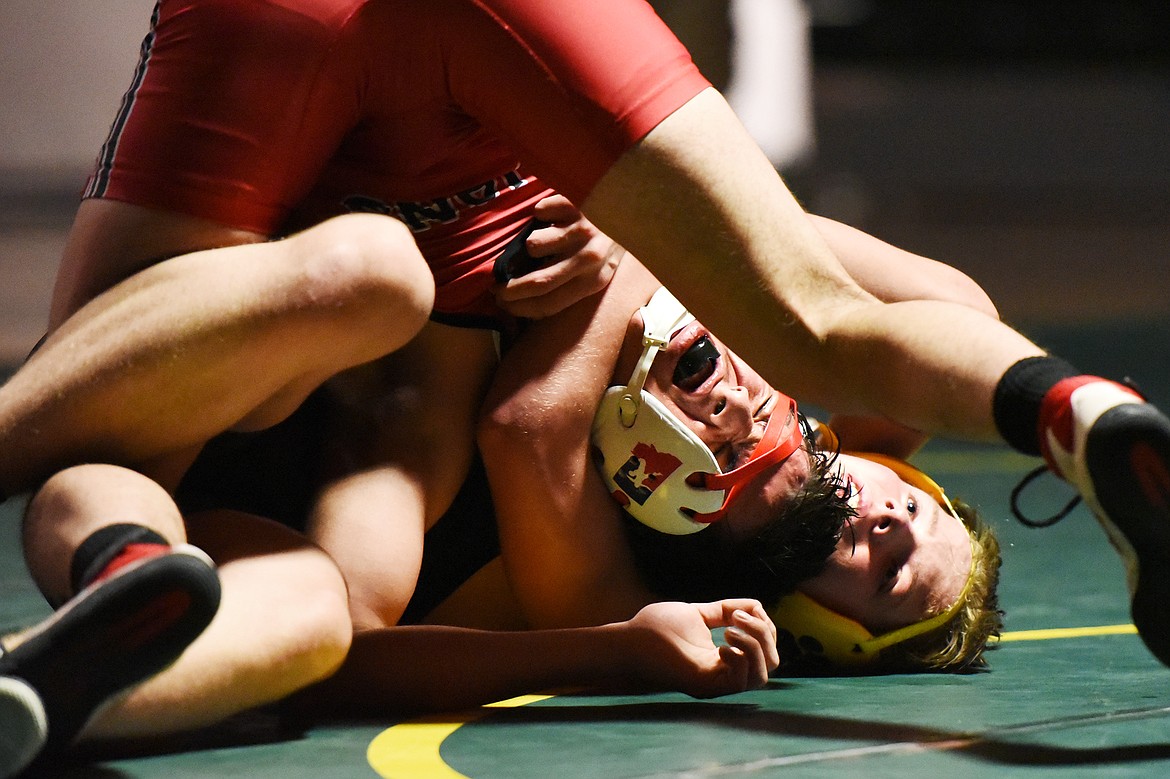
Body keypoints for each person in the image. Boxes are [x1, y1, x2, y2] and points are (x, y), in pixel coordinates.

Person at [40, 0, 1167, 674]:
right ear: (891, 462)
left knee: (125, 442)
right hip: (487, 109)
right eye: (908, 513)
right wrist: (631, 244)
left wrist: (612, 646)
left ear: (814, 628)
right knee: (847, 318)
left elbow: (520, 430)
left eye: (875, 569)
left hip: (358, 239)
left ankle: (97, 628)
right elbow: (837, 292)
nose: (877, 524)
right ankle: (1078, 412)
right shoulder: (820, 405)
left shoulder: (611, 578)